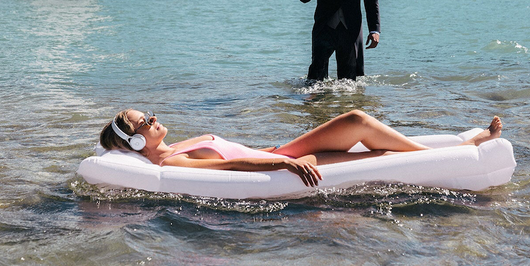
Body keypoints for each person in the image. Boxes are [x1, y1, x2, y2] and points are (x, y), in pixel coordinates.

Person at [99, 108, 502, 187]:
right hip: (285, 161)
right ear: (135, 141)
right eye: (144, 122)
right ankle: (465, 147)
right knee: (359, 125)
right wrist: (285, 166)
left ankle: (462, 143)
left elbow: (236, 149)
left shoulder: (176, 144)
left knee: (362, 132)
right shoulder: (174, 162)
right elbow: (231, 167)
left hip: (281, 150)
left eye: (148, 114)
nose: (153, 118)